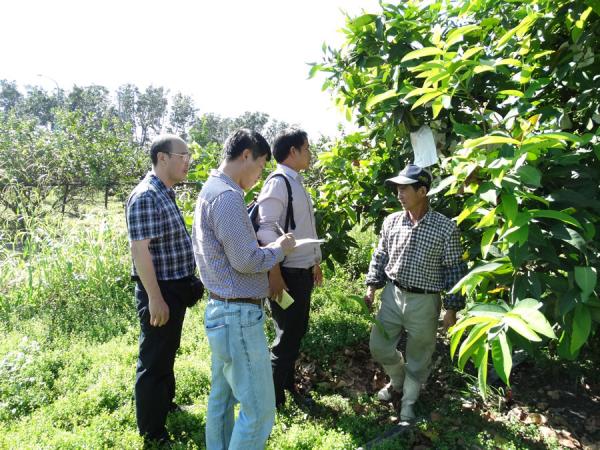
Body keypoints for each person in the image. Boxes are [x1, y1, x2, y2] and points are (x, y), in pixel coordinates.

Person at [192, 128, 296, 450]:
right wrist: (280, 249)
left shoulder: (211, 190)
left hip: (222, 311)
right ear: (247, 155)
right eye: (262, 165)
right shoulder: (226, 197)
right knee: (260, 412)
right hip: (237, 315)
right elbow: (246, 261)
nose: (260, 174)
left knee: (221, 400)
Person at [364, 163, 467, 421]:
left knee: (419, 355)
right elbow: (380, 255)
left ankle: (408, 402)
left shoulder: (445, 228)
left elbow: (455, 269)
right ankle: (398, 381)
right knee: (379, 345)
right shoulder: (391, 222)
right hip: (392, 295)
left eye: (404, 189)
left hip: (425, 300)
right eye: (397, 189)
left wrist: (451, 308)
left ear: (422, 191)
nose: (399, 194)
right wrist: (371, 287)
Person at [126, 134, 196, 443]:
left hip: (173, 288)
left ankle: (163, 404)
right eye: (183, 155)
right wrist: (155, 298)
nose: (188, 161)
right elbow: (140, 251)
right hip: (160, 290)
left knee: (166, 350)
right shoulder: (146, 195)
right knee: (153, 359)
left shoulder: (164, 192)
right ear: (162, 158)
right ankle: (153, 431)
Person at [256, 128, 323, 409]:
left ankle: (285, 385)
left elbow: (301, 229)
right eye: (306, 148)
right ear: (292, 151)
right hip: (287, 275)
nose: (310, 153)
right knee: (286, 337)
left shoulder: (296, 181)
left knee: (295, 332)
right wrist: (274, 273)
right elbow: (265, 231)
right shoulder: (278, 183)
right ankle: (274, 399)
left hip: (302, 270)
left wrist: (315, 261)